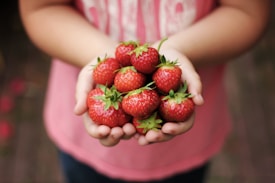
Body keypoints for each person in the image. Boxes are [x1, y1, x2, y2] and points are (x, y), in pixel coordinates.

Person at [19, 0, 270, 182]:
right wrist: (103, 56)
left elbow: (248, 12)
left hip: (187, 144)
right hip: (85, 142)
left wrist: (177, 50)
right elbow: (41, 8)